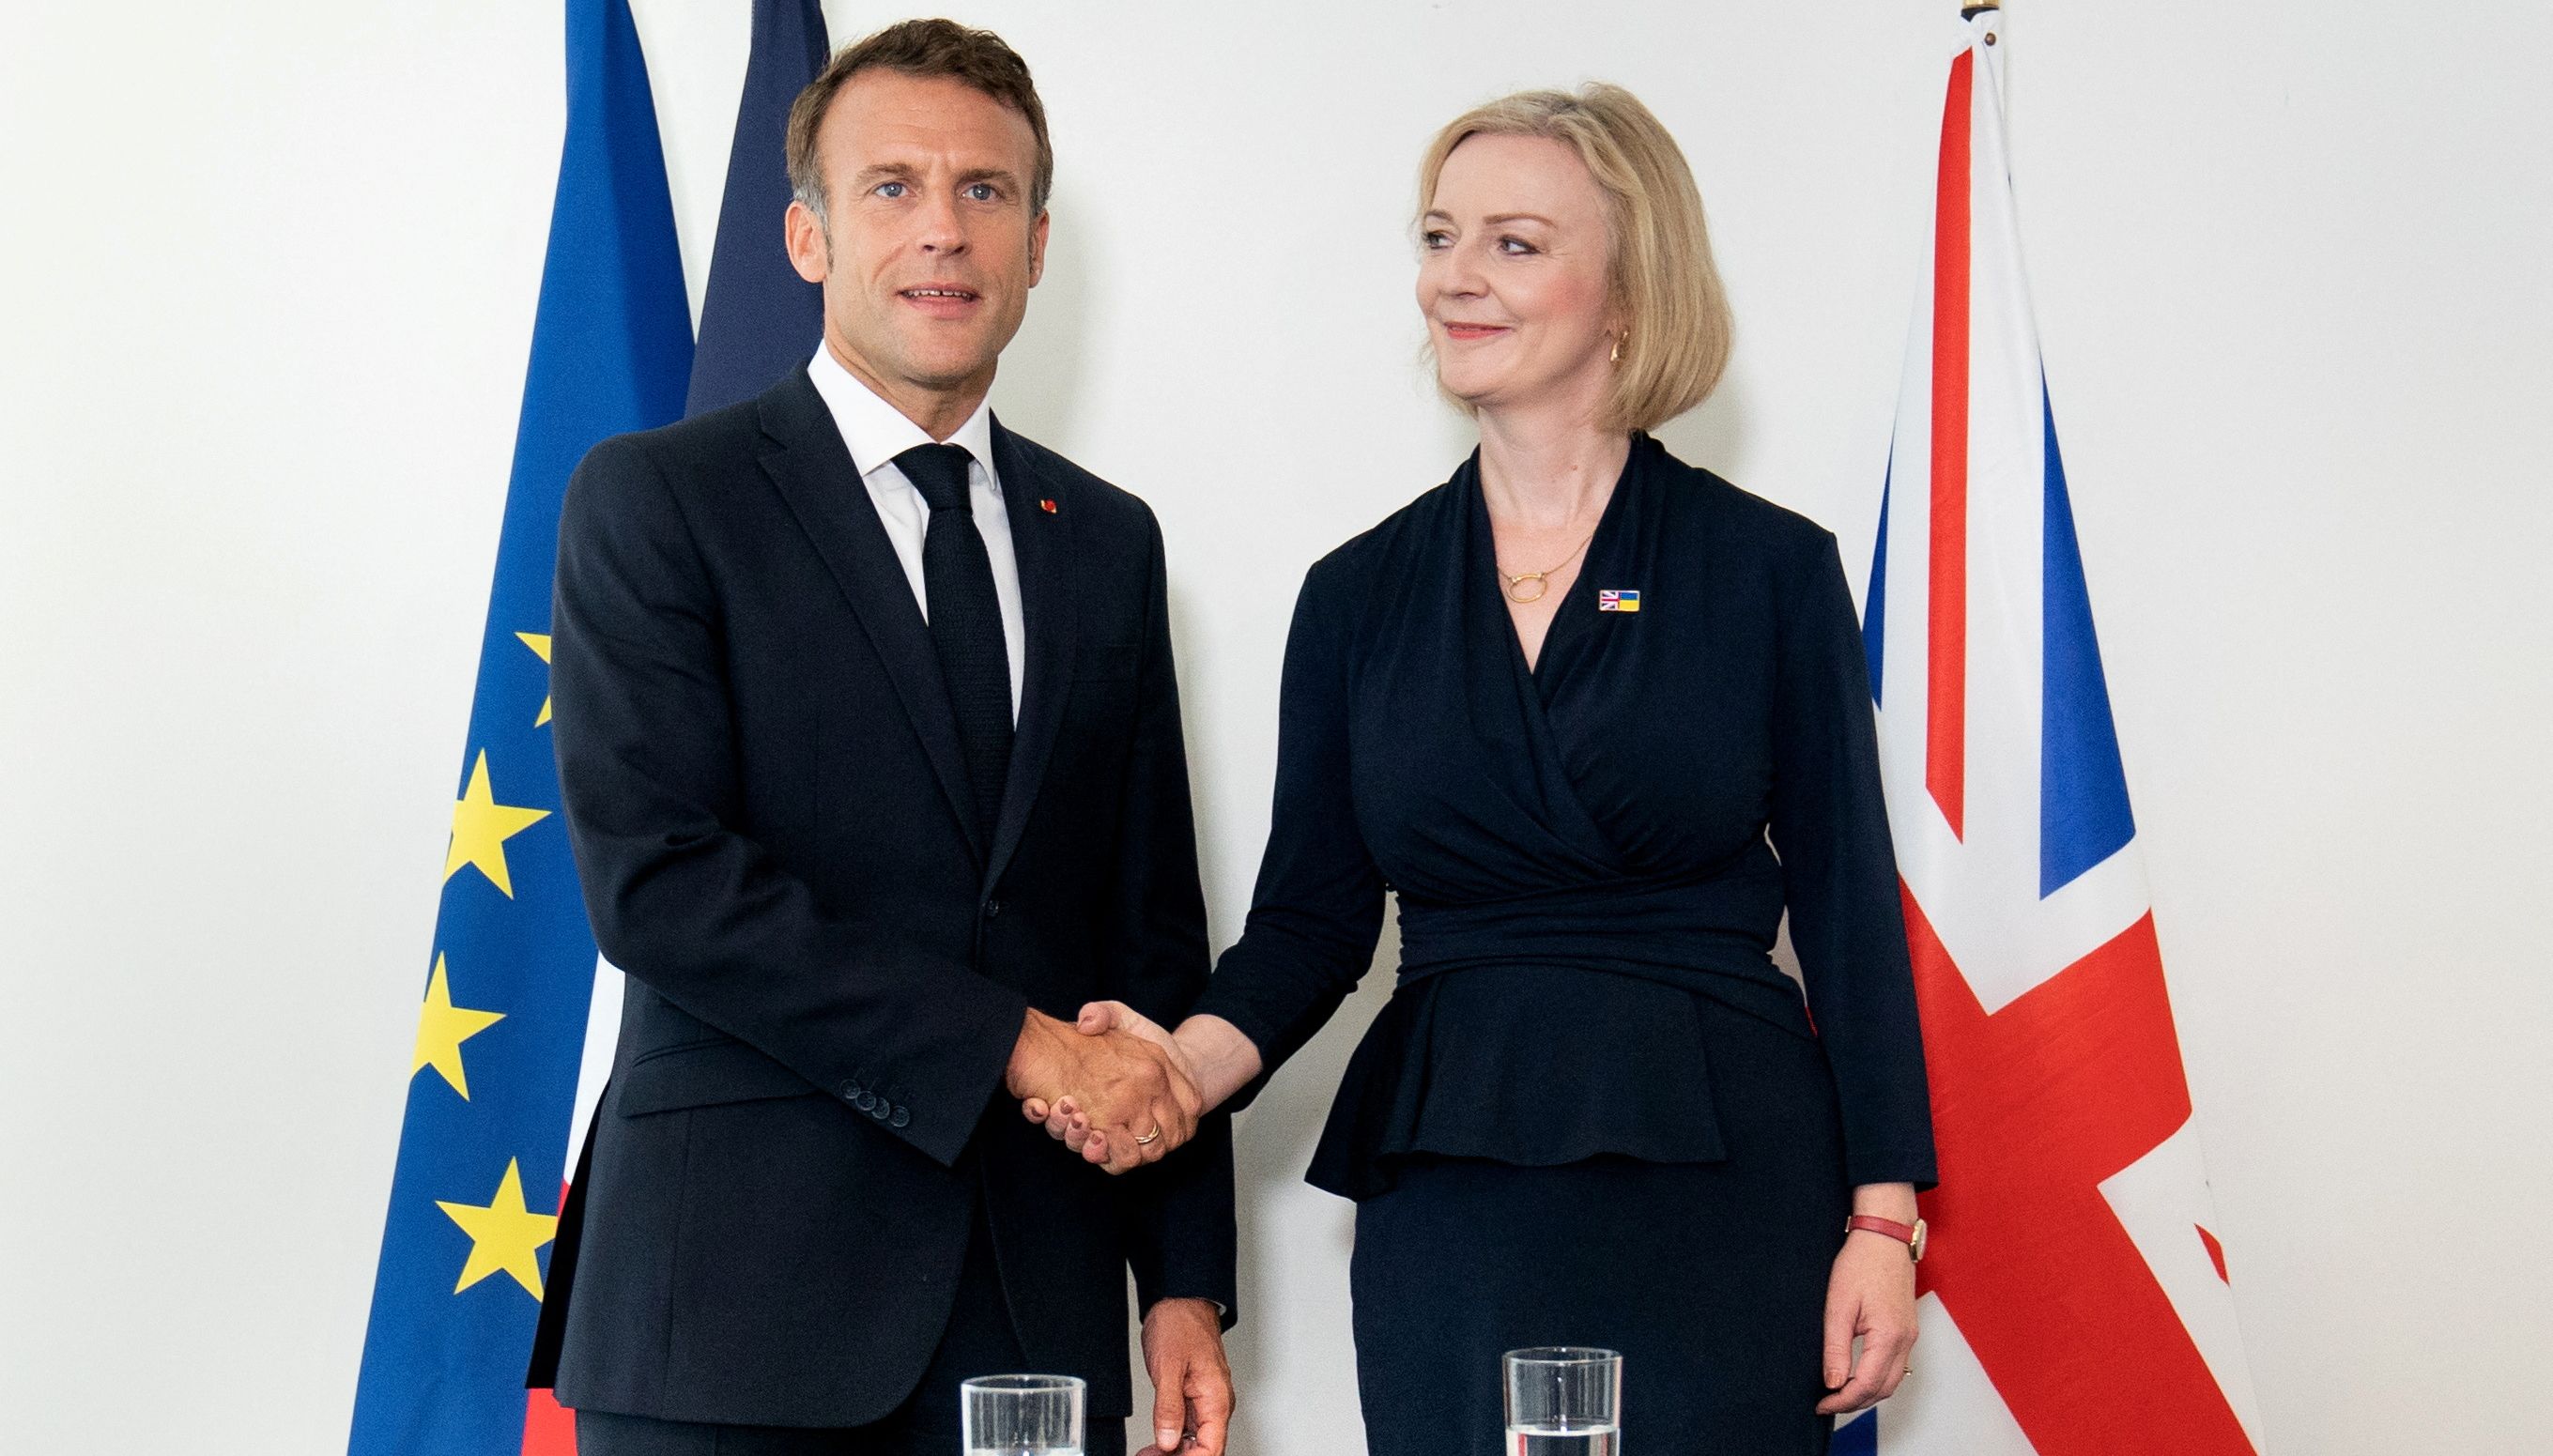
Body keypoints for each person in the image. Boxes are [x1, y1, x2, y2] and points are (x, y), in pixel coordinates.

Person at [1032, 84, 1936, 1454]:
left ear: (1630, 288)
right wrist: (1173, 1069)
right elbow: (1310, 927)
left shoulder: (1771, 571)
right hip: (1455, 1172)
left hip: (1722, 1173)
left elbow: (1853, 917)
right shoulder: (1357, 595)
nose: (1457, 277)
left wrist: (1885, 1216)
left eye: (1513, 243)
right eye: (1441, 236)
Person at [529, 21, 1233, 1456]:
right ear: (805, 237)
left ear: (1038, 247)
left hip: (1034, 1317)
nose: (942, 232)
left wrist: (1185, 1284)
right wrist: (1021, 1051)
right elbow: (660, 885)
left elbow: (1149, 934)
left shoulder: (1106, 540)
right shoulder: (660, 499)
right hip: (729, 1314)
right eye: (891, 187)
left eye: (985, 192)